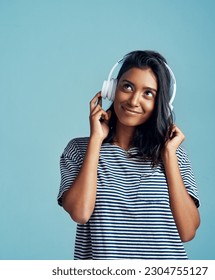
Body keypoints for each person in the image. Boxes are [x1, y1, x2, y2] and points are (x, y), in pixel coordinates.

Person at [57, 50, 200, 259]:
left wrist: (168, 155)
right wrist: (96, 140)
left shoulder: (174, 155)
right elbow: (80, 213)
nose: (134, 101)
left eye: (148, 93)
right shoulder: (79, 150)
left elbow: (187, 232)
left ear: (161, 102)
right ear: (112, 89)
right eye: (127, 87)